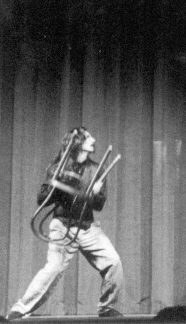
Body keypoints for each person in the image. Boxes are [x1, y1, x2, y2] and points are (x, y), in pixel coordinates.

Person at [7, 127, 123, 320]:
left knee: (113, 262)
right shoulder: (57, 167)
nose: (93, 140)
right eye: (88, 137)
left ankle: (106, 308)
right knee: (53, 268)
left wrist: (94, 193)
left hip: (87, 227)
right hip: (62, 226)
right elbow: (41, 198)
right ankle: (20, 309)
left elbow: (99, 205)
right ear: (77, 143)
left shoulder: (96, 169)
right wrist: (58, 183)